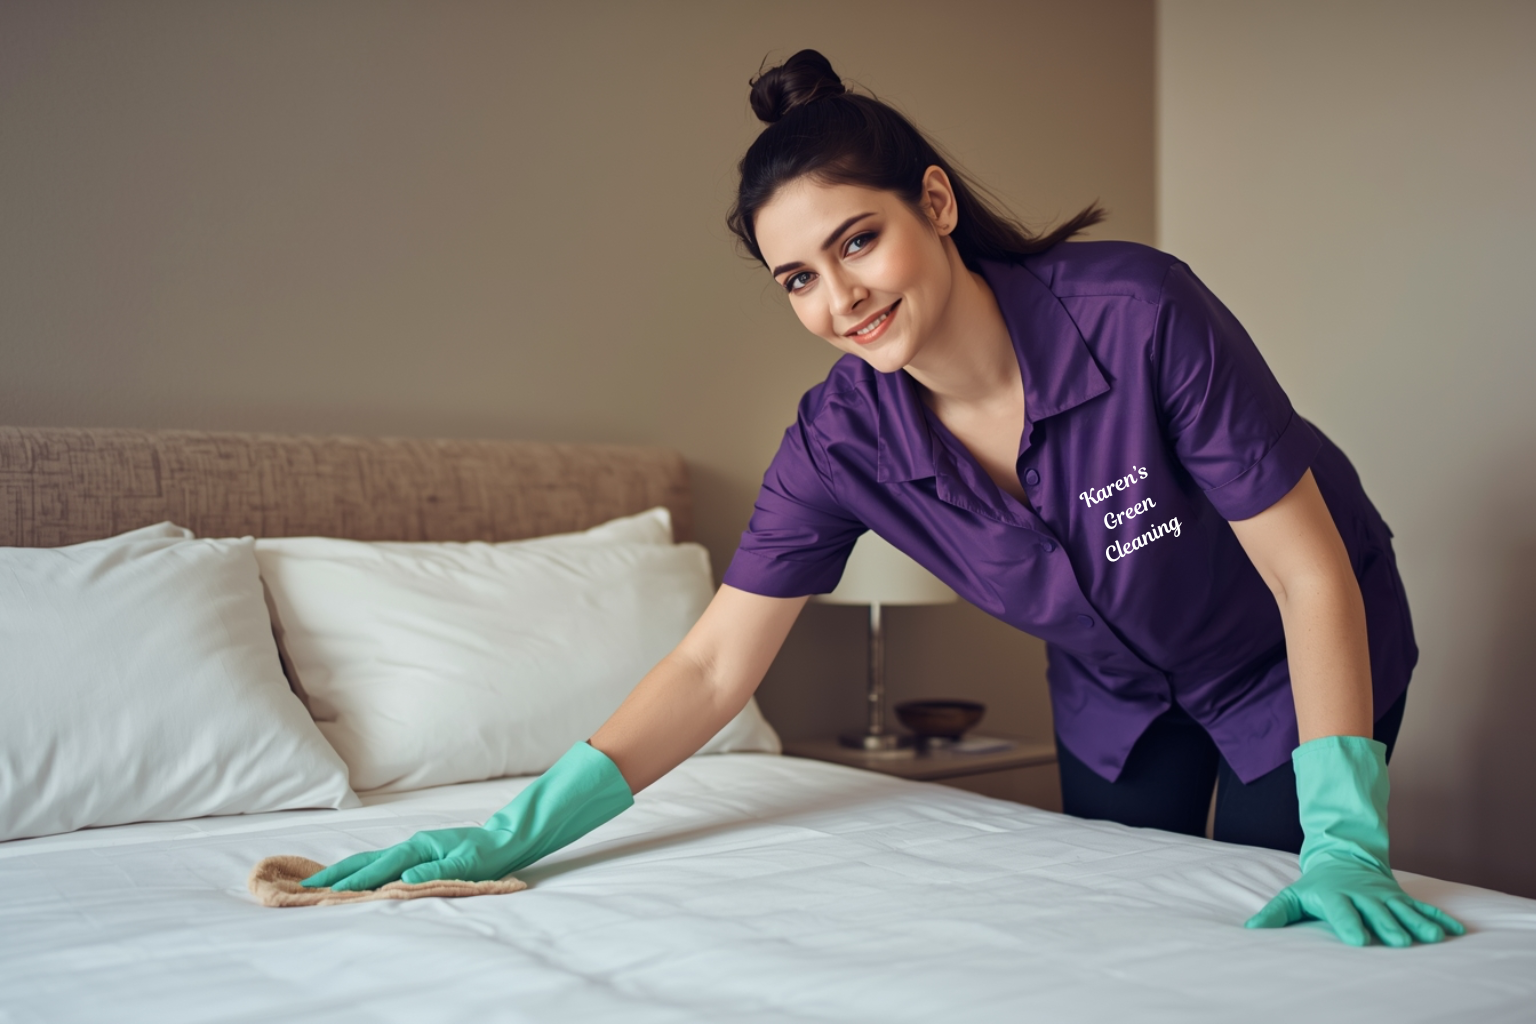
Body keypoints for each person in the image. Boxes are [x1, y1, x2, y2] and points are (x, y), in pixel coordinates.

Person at [304, 50, 1463, 948]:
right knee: (1140, 922)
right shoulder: (839, 442)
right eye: (798, 278)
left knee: (1293, 918)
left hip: (1284, 653)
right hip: (1114, 697)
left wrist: (1348, 839)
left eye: (858, 241)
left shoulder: (1140, 312)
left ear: (937, 205)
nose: (839, 297)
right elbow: (713, 670)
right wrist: (513, 832)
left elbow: (1308, 574)